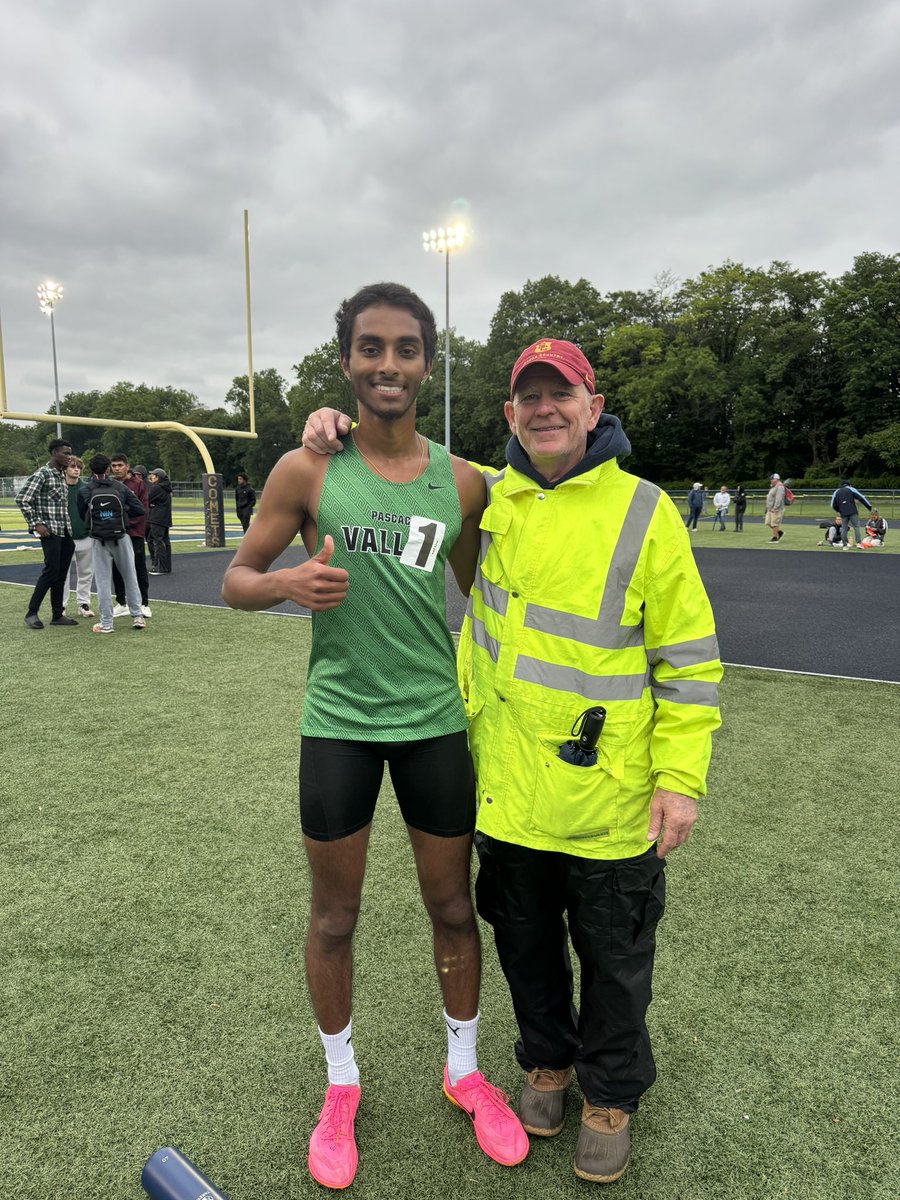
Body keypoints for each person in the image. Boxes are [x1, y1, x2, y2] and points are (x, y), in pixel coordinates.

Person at [303, 336, 722, 1185]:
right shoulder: (489, 497)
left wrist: (680, 780)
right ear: (509, 414)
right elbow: (402, 464)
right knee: (525, 946)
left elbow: (687, 656)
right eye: (529, 397)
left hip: (608, 794)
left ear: (593, 407)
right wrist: (333, 424)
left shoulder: (645, 511)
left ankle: (611, 1095)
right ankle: (546, 1063)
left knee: (613, 958)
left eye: (561, 394)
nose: (545, 409)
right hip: (508, 791)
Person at [221, 282, 527, 1190]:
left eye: (405, 349)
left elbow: (482, 588)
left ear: (428, 363)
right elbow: (237, 579)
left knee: (452, 908)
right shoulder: (307, 468)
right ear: (346, 360)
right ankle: (342, 1084)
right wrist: (285, 586)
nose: (388, 364)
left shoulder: (462, 482)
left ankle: (465, 1072)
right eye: (370, 347)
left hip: (434, 722)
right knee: (334, 917)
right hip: (340, 726)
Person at [78, 454, 147, 632]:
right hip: (121, 537)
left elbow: (82, 515)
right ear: (108, 468)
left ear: (90, 469)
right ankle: (138, 616)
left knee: (102, 582)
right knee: (130, 576)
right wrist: (121, 516)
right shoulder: (119, 487)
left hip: (99, 539)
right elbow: (139, 509)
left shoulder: (85, 490)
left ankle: (107, 623)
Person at [15, 437, 78, 630]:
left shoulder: (60, 475)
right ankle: (31, 613)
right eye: (65, 453)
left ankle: (57, 615)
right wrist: (36, 524)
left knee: (61, 574)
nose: (69, 457)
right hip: (51, 532)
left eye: (70, 454)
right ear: (54, 453)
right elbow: (22, 499)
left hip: (65, 531)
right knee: (51, 572)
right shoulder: (43, 474)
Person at [109, 452, 152, 617]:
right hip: (115, 533)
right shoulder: (109, 484)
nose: (117, 468)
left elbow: (143, 509)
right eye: (114, 466)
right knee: (116, 568)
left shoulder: (139, 484)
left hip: (134, 533)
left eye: (120, 465)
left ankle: (144, 603)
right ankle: (121, 602)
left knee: (138, 567)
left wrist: (125, 522)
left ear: (127, 466)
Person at [64, 455, 95, 617]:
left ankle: (83, 603)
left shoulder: (86, 488)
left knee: (86, 572)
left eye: (78, 467)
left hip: (85, 535)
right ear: (65, 469)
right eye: (72, 466)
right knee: (62, 574)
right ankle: (60, 606)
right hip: (64, 537)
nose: (76, 469)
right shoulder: (58, 487)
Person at [830, 479, 872, 549]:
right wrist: (869, 506)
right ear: (849, 485)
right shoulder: (851, 489)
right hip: (853, 511)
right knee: (856, 527)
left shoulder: (836, 491)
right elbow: (861, 497)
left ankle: (845, 545)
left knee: (844, 528)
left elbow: (832, 505)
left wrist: (839, 510)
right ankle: (858, 543)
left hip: (843, 512)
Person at [147, 468, 173, 574]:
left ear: (157, 477)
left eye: (153, 475)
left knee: (158, 542)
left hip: (157, 518)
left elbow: (147, 499)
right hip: (165, 518)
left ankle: (160, 568)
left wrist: (152, 505)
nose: (151, 477)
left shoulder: (157, 487)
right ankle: (166, 567)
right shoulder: (167, 487)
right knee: (165, 542)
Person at [764, 474, 786, 542]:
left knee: (774, 523)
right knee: (768, 522)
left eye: (772, 479)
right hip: (770, 508)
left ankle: (775, 538)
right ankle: (779, 532)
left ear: (776, 479)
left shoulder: (780, 487)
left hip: (776, 509)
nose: (771, 480)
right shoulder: (773, 486)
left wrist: (775, 507)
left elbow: (778, 498)